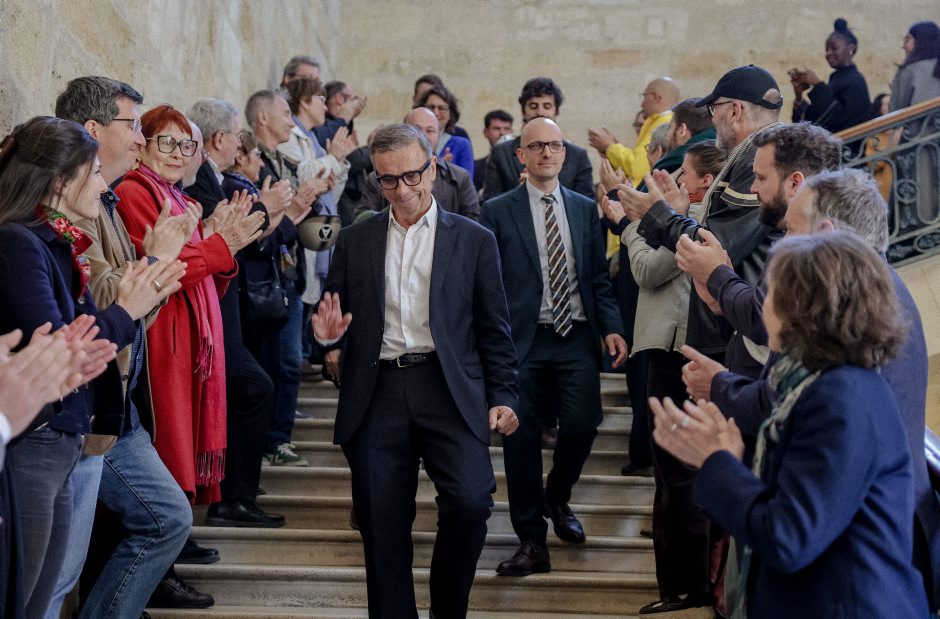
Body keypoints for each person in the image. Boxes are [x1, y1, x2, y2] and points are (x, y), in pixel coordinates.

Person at [684, 169, 940, 611]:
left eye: (789, 232)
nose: (762, 304)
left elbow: (789, 536)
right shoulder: (848, 338)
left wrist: (719, 462)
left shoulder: (842, 390)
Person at [312, 123, 519, 618]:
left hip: (449, 388)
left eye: (411, 176)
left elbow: (494, 330)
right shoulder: (356, 240)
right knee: (380, 524)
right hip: (377, 389)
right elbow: (332, 318)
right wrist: (328, 340)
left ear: (433, 169)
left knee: (470, 504)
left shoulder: (474, 240)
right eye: (388, 180)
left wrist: (504, 395)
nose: (401, 189)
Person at [0, 116, 184, 619]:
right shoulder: (18, 242)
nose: (104, 186)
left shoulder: (51, 240)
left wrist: (124, 310)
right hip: (37, 438)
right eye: (95, 173)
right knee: (24, 597)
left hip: (64, 435)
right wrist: (126, 310)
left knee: (46, 590)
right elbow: (61, 350)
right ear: (62, 181)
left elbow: (85, 339)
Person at [617, 64, 784, 614]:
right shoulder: (751, 160)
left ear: (733, 110)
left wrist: (658, 217)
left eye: (715, 112)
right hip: (730, 335)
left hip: (740, 339)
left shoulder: (754, 160)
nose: (713, 124)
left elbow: (717, 248)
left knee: (705, 476)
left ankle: (702, 592)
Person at [50, 76, 208, 617]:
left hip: (119, 401)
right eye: (133, 126)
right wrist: (159, 260)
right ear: (93, 130)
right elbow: (101, 300)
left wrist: (159, 269)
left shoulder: (107, 198)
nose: (140, 139)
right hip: (86, 402)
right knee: (57, 572)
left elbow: (137, 306)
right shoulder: (69, 204)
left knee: (167, 518)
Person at [481, 117, 628, 576]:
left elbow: (598, 278)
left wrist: (612, 327)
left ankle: (557, 497)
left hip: (575, 336)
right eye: (537, 146)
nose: (547, 152)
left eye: (555, 145)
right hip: (521, 340)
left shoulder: (584, 209)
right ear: (520, 156)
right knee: (520, 439)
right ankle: (531, 541)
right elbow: (487, 285)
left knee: (582, 425)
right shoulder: (496, 211)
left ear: (564, 154)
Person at [116, 104, 265, 506]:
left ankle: (177, 523)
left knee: (183, 431)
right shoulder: (134, 191)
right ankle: (168, 522)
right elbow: (167, 268)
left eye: (186, 146)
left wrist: (220, 247)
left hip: (191, 334)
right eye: (167, 142)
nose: (178, 154)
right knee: (170, 434)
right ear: (143, 145)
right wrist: (221, 246)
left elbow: (203, 278)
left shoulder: (178, 197)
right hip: (164, 331)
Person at [186, 98, 289, 530]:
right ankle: (231, 496)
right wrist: (268, 205)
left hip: (226, 308)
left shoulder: (214, 179)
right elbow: (229, 238)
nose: (239, 142)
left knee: (252, 389)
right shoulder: (202, 181)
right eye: (235, 134)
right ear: (219, 138)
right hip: (210, 312)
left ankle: (233, 491)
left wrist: (272, 209)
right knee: (255, 387)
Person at [359, 107, 480, 220]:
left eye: (430, 130)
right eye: (416, 130)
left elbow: (472, 222)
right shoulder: (377, 178)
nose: (424, 136)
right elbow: (364, 220)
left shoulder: (459, 177)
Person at [484, 77, 593, 200]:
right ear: (523, 111)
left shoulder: (578, 156)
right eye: (533, 106)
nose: (540, 112)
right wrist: (520, 192)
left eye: (547, 106)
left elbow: (586, 206)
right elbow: (488, 204)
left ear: (556, 112)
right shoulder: (501, 154)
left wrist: (549, 191)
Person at [588, 77, 679, 185]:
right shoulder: (658, 120)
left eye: (644, 96)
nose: (642, 104)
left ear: (655, 98)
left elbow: (636, 167)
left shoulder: (664, 123)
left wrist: (610, 147)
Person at [790, 18, 871, 132]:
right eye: (826, 49)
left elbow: (837, 117)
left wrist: (818, 84)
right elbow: (816, 120)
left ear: (851, 48)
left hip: (850, 142)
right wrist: (799, 97)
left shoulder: (856, 80)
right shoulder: (836, 78)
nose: (828, 53)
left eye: (834, 48)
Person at [415, 85, 475, 176]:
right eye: (431, 107)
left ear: (450, 114)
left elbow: (467, 181)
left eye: (441, 108)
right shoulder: (413, 140)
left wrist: (446, 171)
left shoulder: (461, 145)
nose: (436, 112)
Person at [890, 20, 940, 110]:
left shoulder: (910, 70)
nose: (903, 46)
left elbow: (895, 111)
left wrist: (897, 90)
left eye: (907, 39)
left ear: (921, 41)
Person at [474, 109, 513, 192]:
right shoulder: (475, 167)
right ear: (485, 132)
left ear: (512, 132)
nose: (502, 133)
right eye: (496, 128)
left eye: (507, 129)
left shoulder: (522, 163)